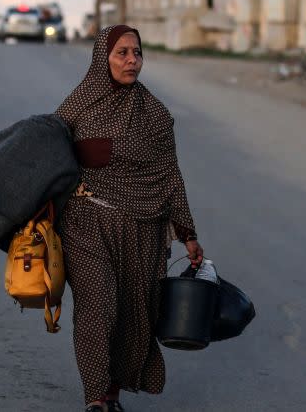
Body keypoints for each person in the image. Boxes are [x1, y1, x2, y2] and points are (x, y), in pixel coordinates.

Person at [55, 25, 204, 412]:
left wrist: (187, 234)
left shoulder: (155, 114)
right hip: (85, 223)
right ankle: (95, 398)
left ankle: (113, 396)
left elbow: (170, 175)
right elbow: (48, 155)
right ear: (102, 57)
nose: (131, 61)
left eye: (136, 53)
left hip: (143, 229)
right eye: (121, 52)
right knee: (98, 305)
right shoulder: (79, 105)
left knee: (130, 313)